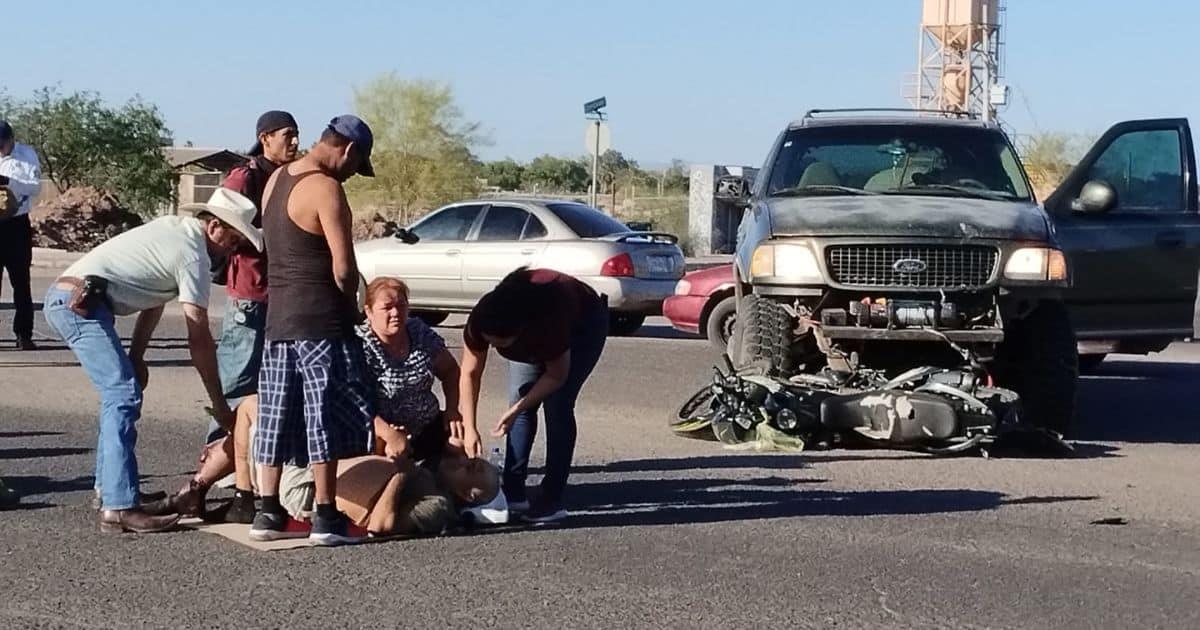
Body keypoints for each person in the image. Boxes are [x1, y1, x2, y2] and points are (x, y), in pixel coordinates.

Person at [42, 189, 260, 533]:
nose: (232, 250)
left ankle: (110, 490)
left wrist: (137, 356)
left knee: (121, 391)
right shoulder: (193, 255)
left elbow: (153, 299)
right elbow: (199, 337)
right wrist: (220, 405)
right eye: (232, 240)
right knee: (123, 393)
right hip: (78, 304)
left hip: (78, 300)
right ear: (215, 226)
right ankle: (118, 507)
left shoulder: (176, 230)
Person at [249, 115, 377, 546]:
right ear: (347, 150)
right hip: (321, 322)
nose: (351, 175)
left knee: (275, 412)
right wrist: (352, 307)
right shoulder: (326, 188)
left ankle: (266, 512)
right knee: (321, 412)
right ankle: (325, 514)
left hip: (279, 319)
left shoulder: (275, 179)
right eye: (355, 166)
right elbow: (343, 269)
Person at [202, 110, 300, 524]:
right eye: (287, 136)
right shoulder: (245, 177)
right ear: (265, 138)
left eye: (296, 136)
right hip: (248, 296)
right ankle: (217, 460)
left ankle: (249, 458)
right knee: (235, 382)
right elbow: (220, 228)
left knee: (265, 383)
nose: (294, 143)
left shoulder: (287, 176)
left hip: (276, 294)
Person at [459, 267, 609, 523]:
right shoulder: (483, 317)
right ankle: (514, 491)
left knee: (558, 404)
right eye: (490, 342)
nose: (494, 348)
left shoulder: (547, 323)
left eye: (501, 344)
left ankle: (552, 498)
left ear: (519, 331)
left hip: (584, 322)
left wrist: (518, 408)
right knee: (519, 395)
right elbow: (469, 373)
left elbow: (556, 376)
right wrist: (469, 427)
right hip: (534, 325)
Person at [357, 277, 462, 468]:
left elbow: (451, 371)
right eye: (387, 307)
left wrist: (453, 410)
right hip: (381, 432)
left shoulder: (418, 331)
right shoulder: (360, 344)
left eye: (401, 305)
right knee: (393, 457)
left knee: (459, 444)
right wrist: (389, 433)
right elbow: (353, 403)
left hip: (427, 424)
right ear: (369, 311)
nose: (396, 312)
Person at [0, 120, 43, 350]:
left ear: (10, 140)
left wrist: (9, 182)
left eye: (2, 145)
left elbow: (34, 187)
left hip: (16, 225)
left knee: (21, 283)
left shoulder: (26, 155)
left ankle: (24, 334)